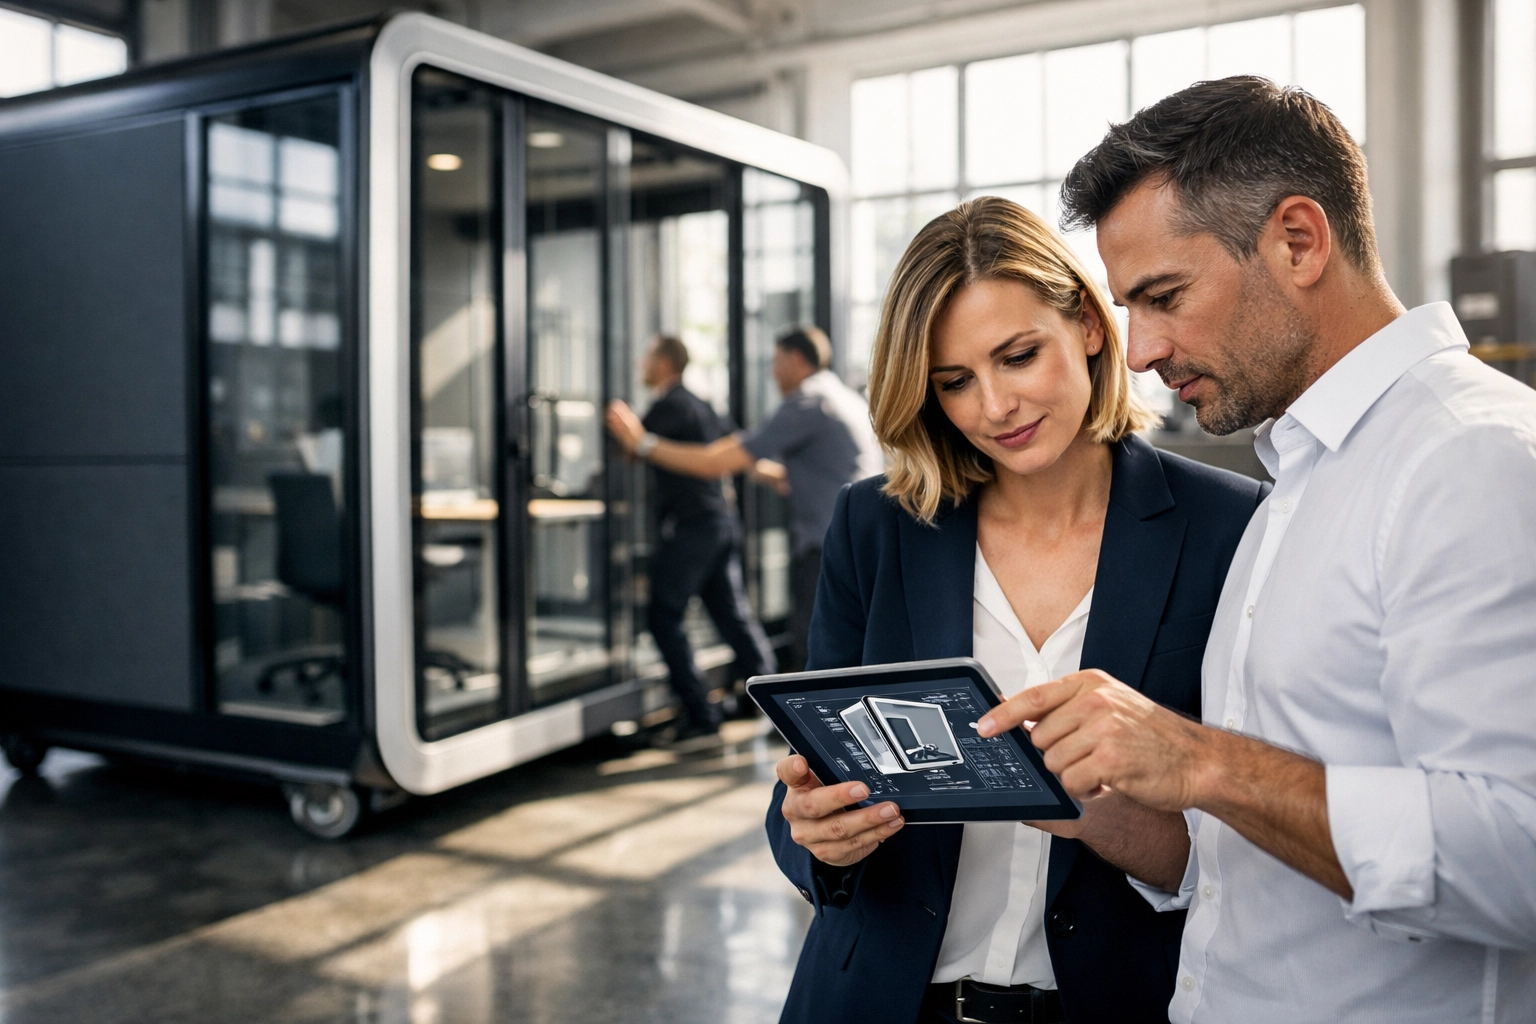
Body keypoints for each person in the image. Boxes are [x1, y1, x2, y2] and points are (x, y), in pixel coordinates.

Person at [977, 77, 1536, 1023]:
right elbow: (1263, 865)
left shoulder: (1473, 457)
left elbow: (1519, 857)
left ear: (1298, 241)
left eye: (1163, 296)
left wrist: (1202, 760)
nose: (1141, 348)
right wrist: (1108, 809)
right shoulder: (1302, 475)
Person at [765, 197, 1268, 1024]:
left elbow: (1245, 848)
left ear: (1090, 327)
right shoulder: (877, 526)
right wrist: (814, 835)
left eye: (1019, 356)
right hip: (879, 1003)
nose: (993, 407)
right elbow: (810, 780)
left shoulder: (1229, 526)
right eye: (954, 382)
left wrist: (1101, 815)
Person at [606, 325, 882, 670]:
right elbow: (795, 473)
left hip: (827, 545)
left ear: (796, 360)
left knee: (818, 649)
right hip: (861, 541)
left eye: (775, 361)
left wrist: (642, 443)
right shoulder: (843, 397)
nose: (770, 372)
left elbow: (714, 463)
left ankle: (801, 723)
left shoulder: (808, 402)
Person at [628, 334, 776, 739]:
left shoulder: (665, 408)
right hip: (722, 521)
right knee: (731, 612)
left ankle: (699, 713)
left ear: (664, 363)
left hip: (693, 526)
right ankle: (766, 699)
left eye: (647, 356)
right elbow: (739, 449)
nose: (642, 363)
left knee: (663, 616)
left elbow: (633, 450)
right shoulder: (704, 404)